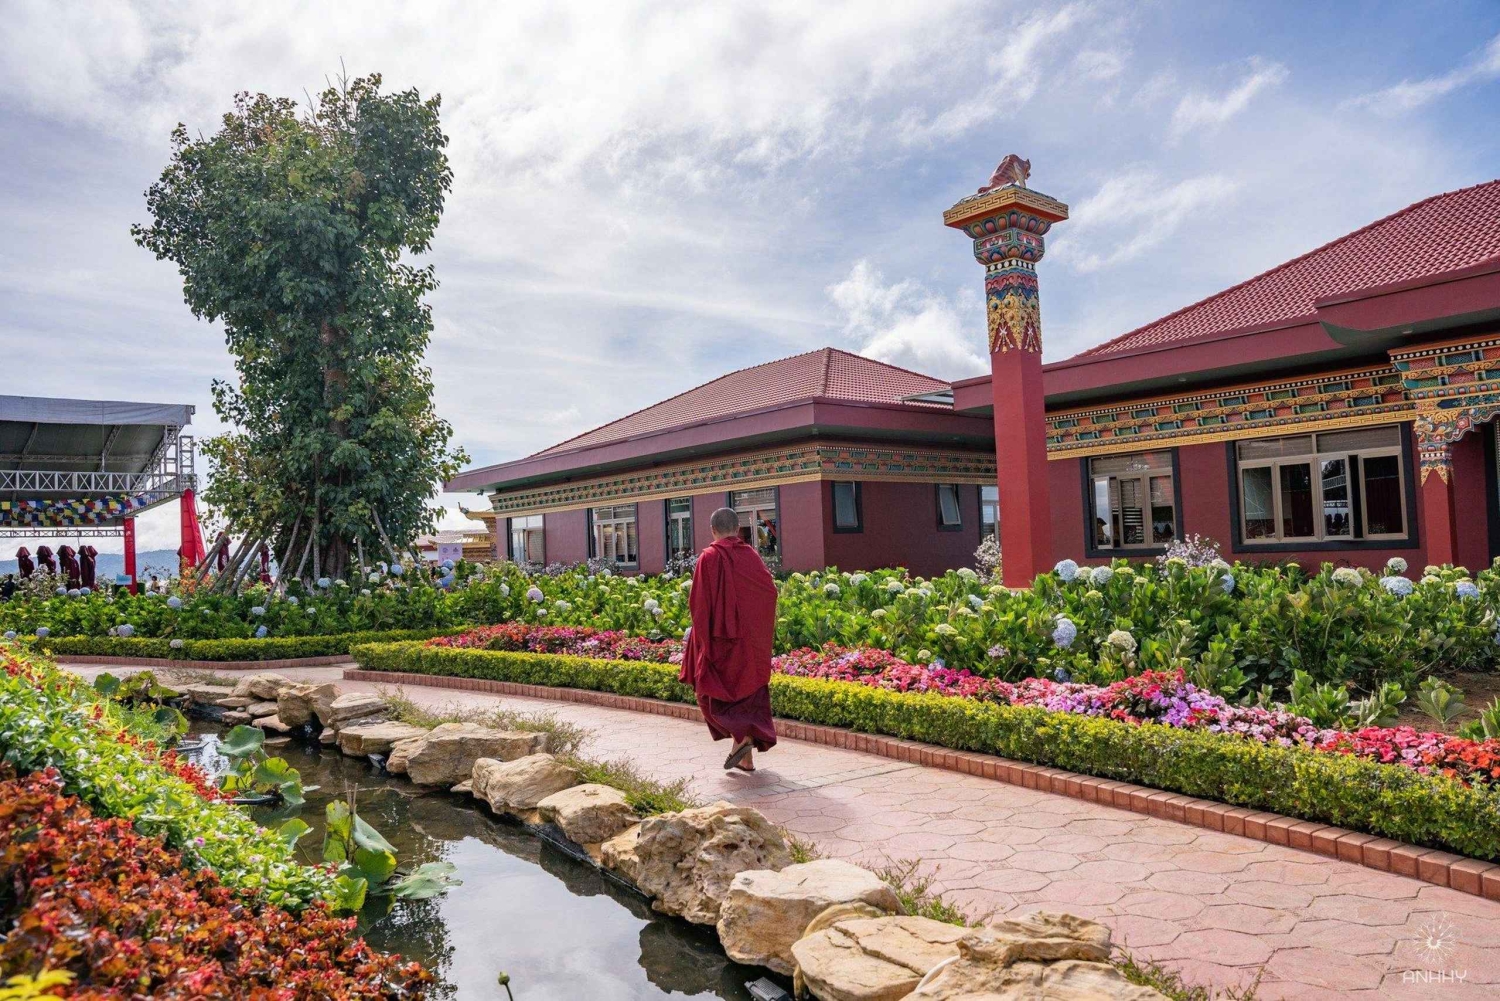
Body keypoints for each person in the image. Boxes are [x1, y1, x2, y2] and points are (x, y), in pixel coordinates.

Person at [679, 507, 778, 771]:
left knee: (710, 693)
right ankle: (745, 758)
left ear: (713, 530)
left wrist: (703, 642)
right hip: (748, 643)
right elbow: (769, 592)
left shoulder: (709, 557)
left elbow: (699, 605)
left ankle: (742, 741)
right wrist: (755, 631)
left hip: (720, 641)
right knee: (748, 695)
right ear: (737, 529)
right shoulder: (751, 555)